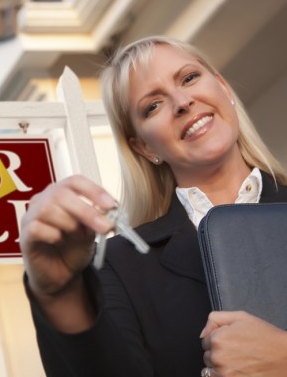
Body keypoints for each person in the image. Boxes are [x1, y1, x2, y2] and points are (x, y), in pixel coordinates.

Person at [20, 35, 287, 376]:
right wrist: (59, 292)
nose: (182, 101)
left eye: (189, 78)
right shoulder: (119, 266)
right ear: (144, 148)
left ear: (224, 89)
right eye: (153, 106)